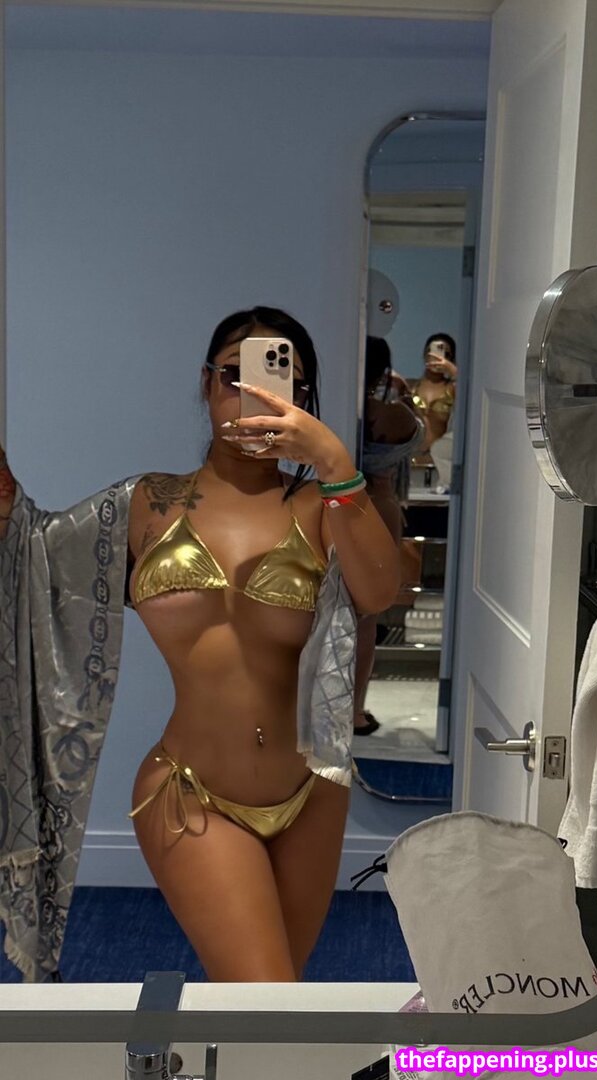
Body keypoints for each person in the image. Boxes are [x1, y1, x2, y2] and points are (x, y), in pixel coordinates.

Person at [0, 306, 400, 983]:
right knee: (265, 997)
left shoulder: (322, 507)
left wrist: (334, 459)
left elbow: (378, 591)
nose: (254, 396)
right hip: (190, 792)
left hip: (312, 793)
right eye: (236, 376)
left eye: (283, 381)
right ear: (207, 381)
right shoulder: (144, 506)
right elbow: (31, 557)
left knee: (272, 1003)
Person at [353, 336, 426, 736]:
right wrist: (401, 392)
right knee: (367, 618)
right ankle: (355, 710)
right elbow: (419, 432)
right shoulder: (390, 414)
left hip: (331, 508)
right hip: (378, 507)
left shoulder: (332, 409)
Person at [408, 333, 457, 457]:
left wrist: (452, 369)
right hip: (411, 458)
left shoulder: (452, 389)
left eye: (446, 354)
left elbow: (472, 395)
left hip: (439, 460)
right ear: (425, 355)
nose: (439, 358)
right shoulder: (410, 387)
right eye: (434, 352)